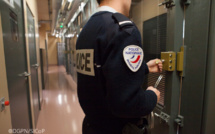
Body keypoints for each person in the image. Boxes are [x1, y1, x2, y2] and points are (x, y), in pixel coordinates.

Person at [76, 0, 163, 134]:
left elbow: (105, 72)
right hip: (117, 129)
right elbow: (127, 104)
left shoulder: (87, 30)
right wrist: (152, 96)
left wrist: (144, 67)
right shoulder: (123, 30)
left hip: (92, 126)